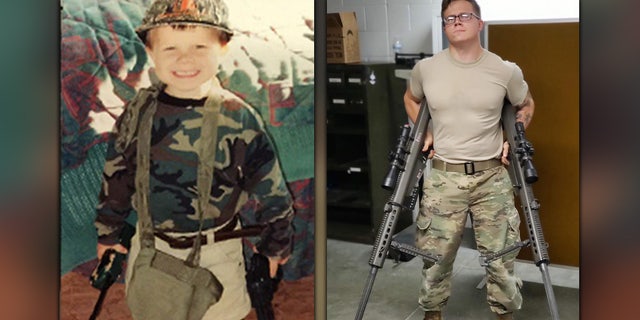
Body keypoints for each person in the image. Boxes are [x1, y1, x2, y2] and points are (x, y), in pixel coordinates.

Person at [93, 0, 294, 319]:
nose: (185, 58)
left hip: (217, 255)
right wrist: (108, 233)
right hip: (151, 249)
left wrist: (274, 248)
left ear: (223, 46)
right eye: (170, 48)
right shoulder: (138, 112)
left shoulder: (238, 118)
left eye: (200, 46)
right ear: (150, 52)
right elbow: (116, 176)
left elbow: (273, 192)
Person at [403, 1, 535, 319]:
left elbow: (526, 104)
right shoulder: (425, 69)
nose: (457, 21)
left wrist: (513, 137)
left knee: (501, 257)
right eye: (449, 18)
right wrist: (426, 132)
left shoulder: (505, 71)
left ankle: (505, 314)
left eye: (465, 16)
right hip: (443, 177)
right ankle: (432, 314)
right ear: (444, 26)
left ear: (480, 24)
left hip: (492, 177)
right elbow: (411, 98)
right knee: (435, 257)